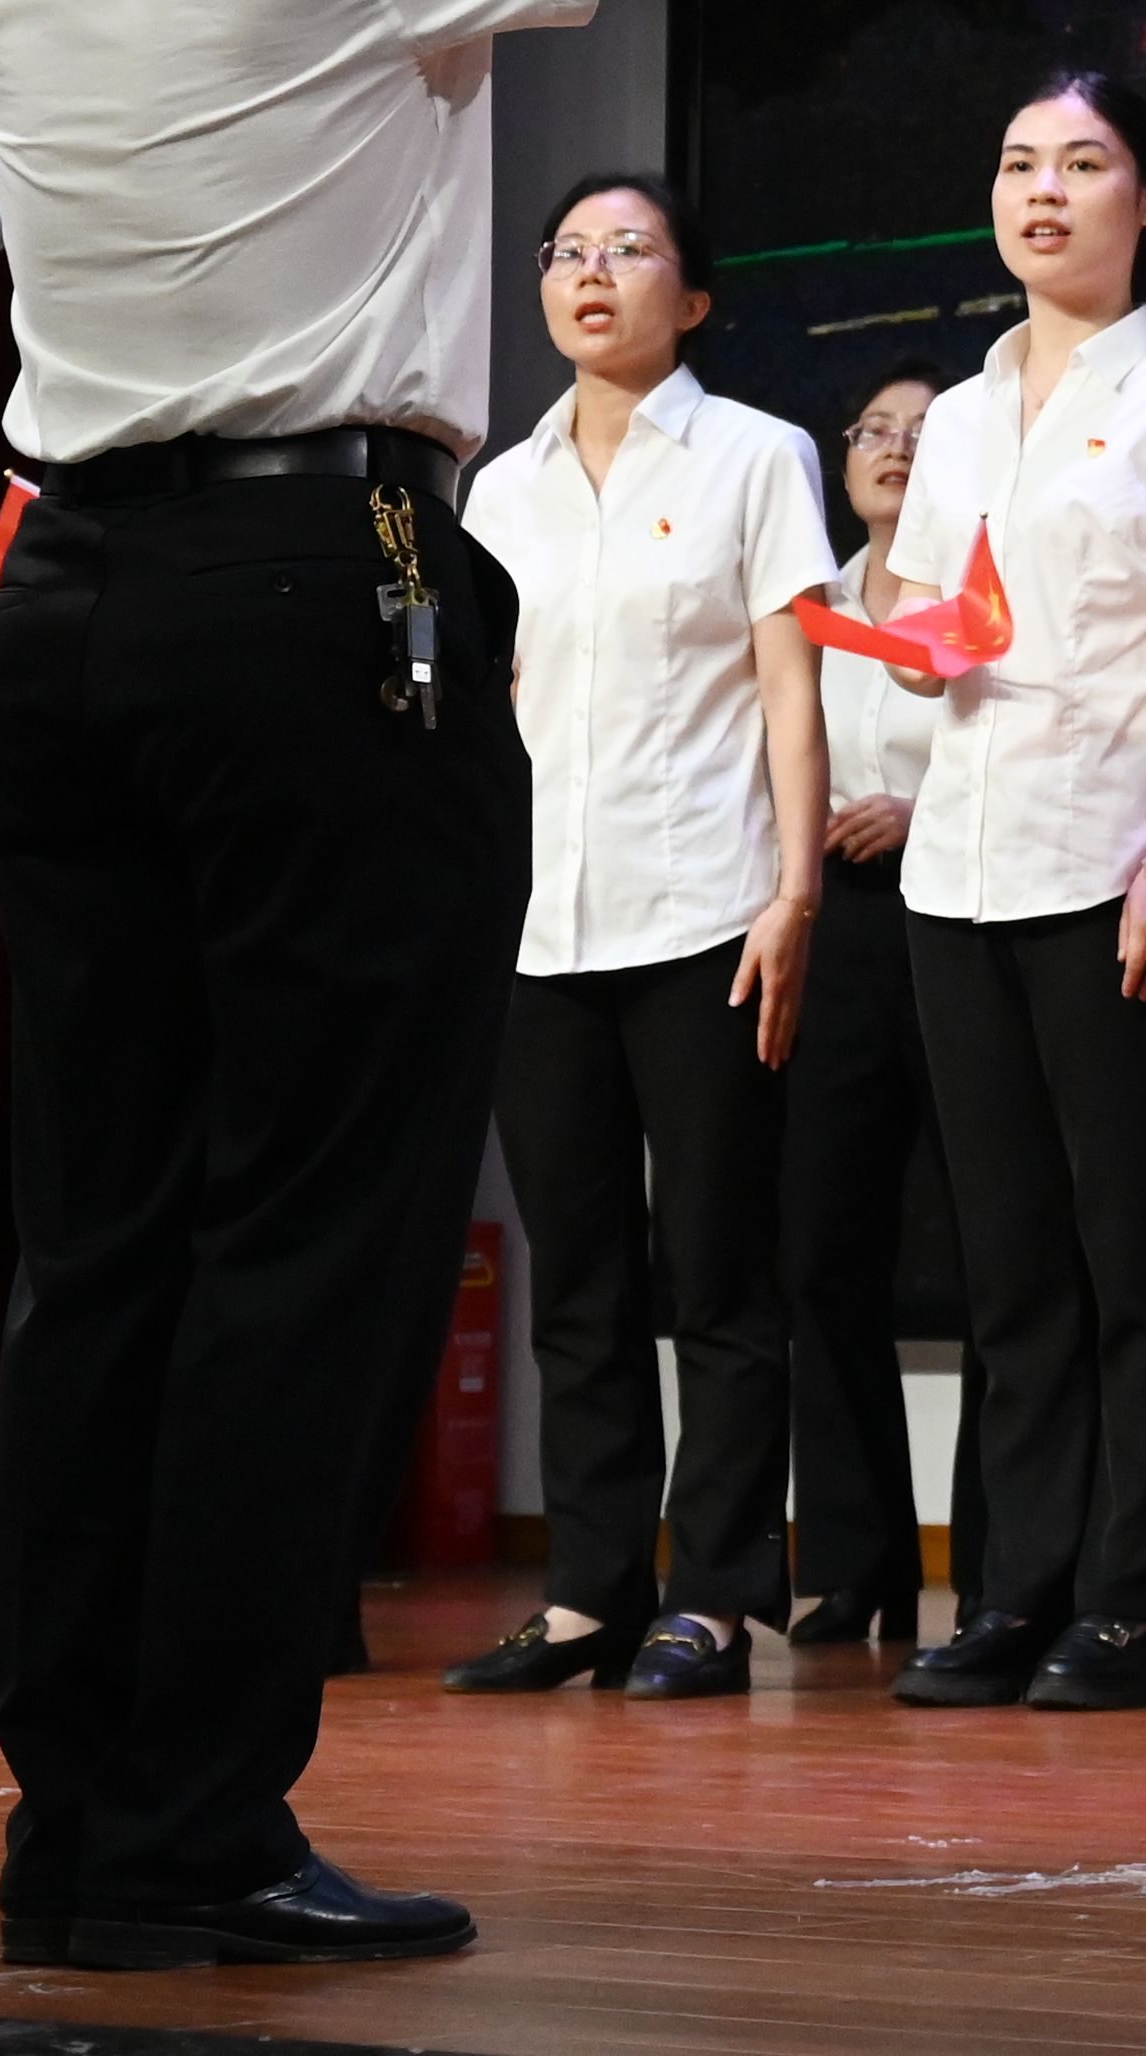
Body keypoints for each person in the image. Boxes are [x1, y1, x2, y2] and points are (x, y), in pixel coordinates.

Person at [0, 0, 1146, 1964]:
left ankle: (81, 1824)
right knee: (308, 1232)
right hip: (318, 589)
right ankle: (195, 1831)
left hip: (59, 607)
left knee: (99, 1241)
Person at [886, 71, 1146, 1718]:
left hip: (1120, 870)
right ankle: (1016, 1590)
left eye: (1083, 164)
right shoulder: (962, 414)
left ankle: (1137, 1599)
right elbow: (921, 634)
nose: (1042, 192)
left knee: (1142, 1260)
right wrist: (909, 644)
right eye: (1017, 164)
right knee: (1014, 1267)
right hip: (959, 875)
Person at [446, 176, 833, 1705]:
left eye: (629, 250)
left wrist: (796, 893)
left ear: (696, 297)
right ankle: (589, 1593)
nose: (592, 273)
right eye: (568, 253)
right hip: (543, 926)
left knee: (719, 1275)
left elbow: (791, 689)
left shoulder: (755, 454)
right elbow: (489, 713)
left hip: (708, 913)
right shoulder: (499, 490)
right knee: (580, 1282)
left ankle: (717, 1597)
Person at [775, 363, 959, 1652]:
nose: (895, 447)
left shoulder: (988, 599)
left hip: (962, 912)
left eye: (925, 431)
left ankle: (1005, 1566)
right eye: (874, 429)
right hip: (833, 931)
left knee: (1004, 1252)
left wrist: (924, 809)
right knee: (822, 1250)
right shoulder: (806, 604)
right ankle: (854, 1561)